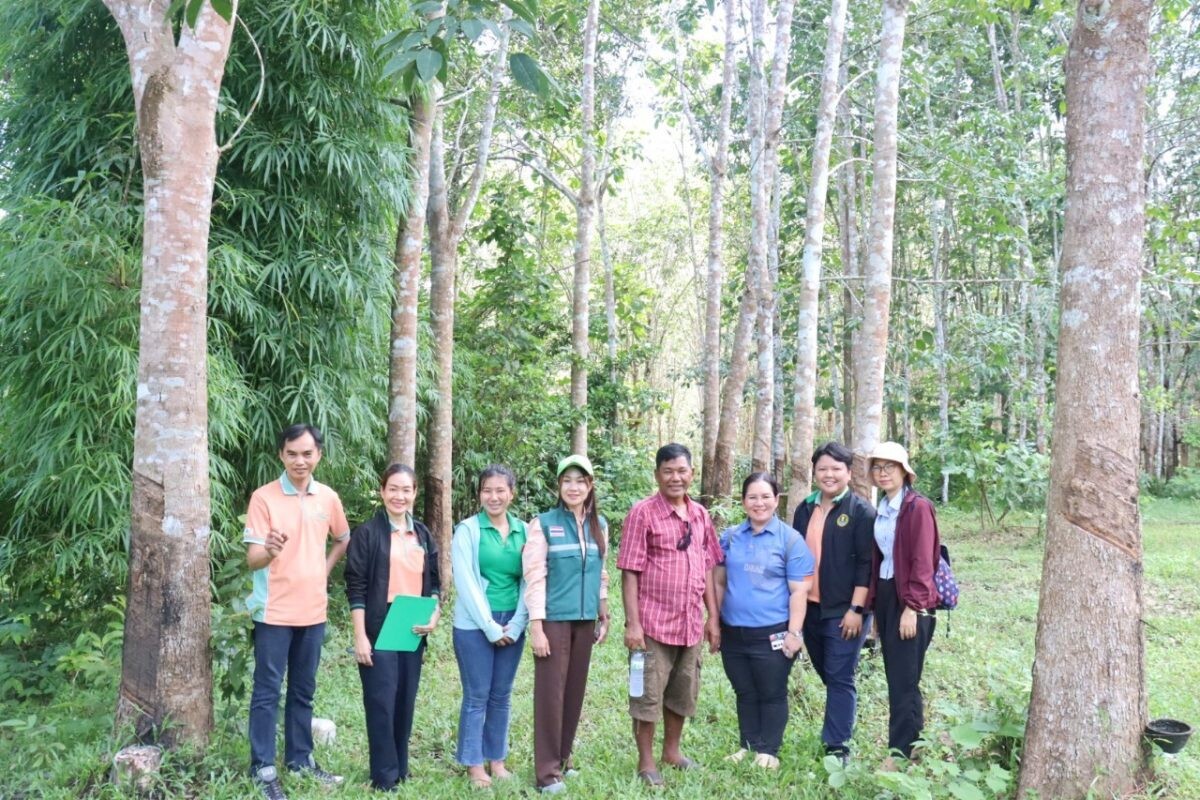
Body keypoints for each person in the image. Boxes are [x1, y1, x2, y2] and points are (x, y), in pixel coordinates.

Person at [243, 424, 351, 800]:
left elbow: (343, 537)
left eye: (307, 453)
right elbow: (252, 559)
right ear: (281, 455)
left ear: (319, 454)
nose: (300, 460)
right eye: (292, 453)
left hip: (313, 612)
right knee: (267, 691)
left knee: (303, 691)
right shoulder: (264, 498)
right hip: (273, 613)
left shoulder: (328, 498)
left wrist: (324, 566)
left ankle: (300, 760)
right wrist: (269, 550)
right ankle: (262, 766)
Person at [618, 443, 723, 788]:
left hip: (690, 622)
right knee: (646, 694)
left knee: (683, 690)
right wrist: (633, 623)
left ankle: (672, 752)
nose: (675, 477)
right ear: (657, 475)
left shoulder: (701, 515)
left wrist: (712, 617)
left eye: (681, 471)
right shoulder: (642, 513)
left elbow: (708, 567)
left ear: (691, 473)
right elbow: (630, 571)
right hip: (652, 623)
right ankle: (646, 761)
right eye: (668, 471)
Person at [344, 464, 441, 791]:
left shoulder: (423, 534)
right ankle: (384, 777)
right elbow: (355, 587)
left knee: (405, 698)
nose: (399, 496)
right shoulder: (368, 534)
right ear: (383, 491)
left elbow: (436, 582)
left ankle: (401, 768)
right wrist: (360, 636)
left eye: (406, 490)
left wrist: (435, 614)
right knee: (381, 700)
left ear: (415, 493)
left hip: (411, 621)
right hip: (378, 622)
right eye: (393, 489)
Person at [522, 454, 612, 794]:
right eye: (567, 481)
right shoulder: (543, 523)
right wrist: (536, 625)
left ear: (590, 486)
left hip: (585, 620)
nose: (573, 487)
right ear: (558, 486)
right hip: (554, 620)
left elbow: (600, 572)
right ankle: (546, 773)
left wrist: (603, 608)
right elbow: (534, 577)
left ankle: (563, 757)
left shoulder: (599, 525)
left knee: (574, 692)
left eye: (580, 481)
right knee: (550, 695)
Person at [715, 472, 814, 770]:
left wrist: (794, 632)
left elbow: (800, 591)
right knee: (744, 690)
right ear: (744, 501)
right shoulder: (730, 537)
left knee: (771, 691)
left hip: (773, 631)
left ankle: (768, 750)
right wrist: (714, 622)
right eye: (752, 497)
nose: (759, 503)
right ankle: (747, 745)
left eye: (766, 496)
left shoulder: (791, 540)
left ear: (776, 499)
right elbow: (718, 582)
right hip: (733, 631)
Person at [791, 442, 876, 765]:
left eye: (836, 468)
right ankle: (844, 715)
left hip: (845, 610)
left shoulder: (860, 511)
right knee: (829, 672)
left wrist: (856, 611)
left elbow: (866, 565)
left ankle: (837, 746)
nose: (829, 474)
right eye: (823, 469)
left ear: (848, 473)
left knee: (840, 676)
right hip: (809, 608)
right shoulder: (805, 508)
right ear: (814, 473)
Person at [451, 465, 530, 788]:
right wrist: (490, 626)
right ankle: (473, 765)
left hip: (513, 621)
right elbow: (466, 583)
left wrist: (517, 622)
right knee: (477, 694)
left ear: (511, 493)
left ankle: (496, 759)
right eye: (487, 490)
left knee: (502, 695)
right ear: (479, 494)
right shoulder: (468, 530)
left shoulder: (525, 530)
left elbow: (530, 579)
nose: (493, 497)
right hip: (474, 625)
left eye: (500, 490)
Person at [866, 441, 940, 761]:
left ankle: (899, 754)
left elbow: (923, 561)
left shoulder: (917, 507)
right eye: (878, 468)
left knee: (904, 680)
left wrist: (912, 607)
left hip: (910, 600)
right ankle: (913, 748)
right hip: (886, 596)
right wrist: (876, 612)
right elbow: (880, 559)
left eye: (890, 467)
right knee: (898, 677)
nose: (883, 473)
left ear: (904, 472)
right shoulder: (883, 507)